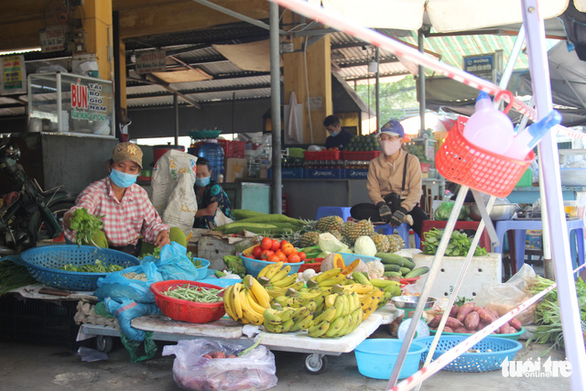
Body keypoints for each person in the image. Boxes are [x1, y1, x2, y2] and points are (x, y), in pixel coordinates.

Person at [63, 142, 185, 256]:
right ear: (110, 166)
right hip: (104, 252)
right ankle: (100, 274)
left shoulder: (139, 193)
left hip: (134, 251)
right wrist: (72, 218)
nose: (125, 172)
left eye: (132, 169)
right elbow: (82, 209)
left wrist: (162, 233)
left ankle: (171, 273)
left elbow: (152, 224)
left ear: (138, 172)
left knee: (175, 234)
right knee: (92, 235)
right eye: (120, 166)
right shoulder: (95, 191)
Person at [350, 120, 428, 238]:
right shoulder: (374, 163)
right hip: (385, 208)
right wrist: (381, 204)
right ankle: (403, 219)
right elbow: (373, 190)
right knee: (356, 210)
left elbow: (415, 192)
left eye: (390, 138)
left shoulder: (411, 161)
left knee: (427, 228)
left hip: (406, 206)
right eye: (382, 138)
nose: (385, 141)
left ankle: (403, 217)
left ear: (400, 141)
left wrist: (403, 210)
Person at [193, 157, 234, 229]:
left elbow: (210, 211)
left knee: (205, 219)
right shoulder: (194, 187)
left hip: (220, 219)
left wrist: (189, 215)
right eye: (197, 174)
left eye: (203, 174)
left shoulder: (214, 188)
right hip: (198, 215)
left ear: (210, 173)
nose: (201, 177)